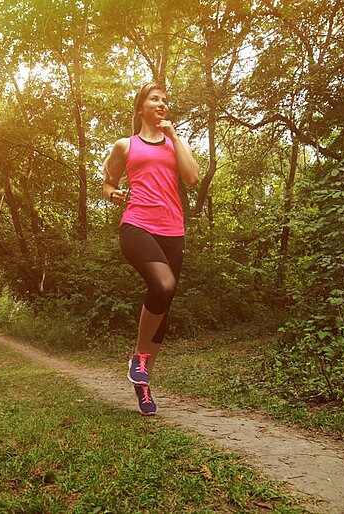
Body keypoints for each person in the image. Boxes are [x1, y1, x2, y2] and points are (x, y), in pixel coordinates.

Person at [101, 83, 201, 416]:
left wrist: (175, 136)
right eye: (154, 99)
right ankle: (140, 359)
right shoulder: (125, 145)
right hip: (137, 225)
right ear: (140, 107)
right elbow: (108, 180)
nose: (161, 104)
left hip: (173, 230)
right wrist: (111, 192)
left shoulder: (175, 145)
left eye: (164, 100)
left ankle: (143, 384)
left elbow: (191, 177)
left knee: (164, 307)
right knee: (163, 284)